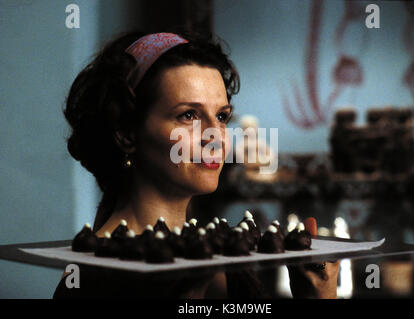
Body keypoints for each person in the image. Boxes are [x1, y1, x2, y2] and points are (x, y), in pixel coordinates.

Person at [54, 30, 339, 298]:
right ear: (127, 133)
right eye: (188, 115)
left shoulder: (227, 259)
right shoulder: (90, 275)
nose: (216, 138)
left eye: (222, 117)